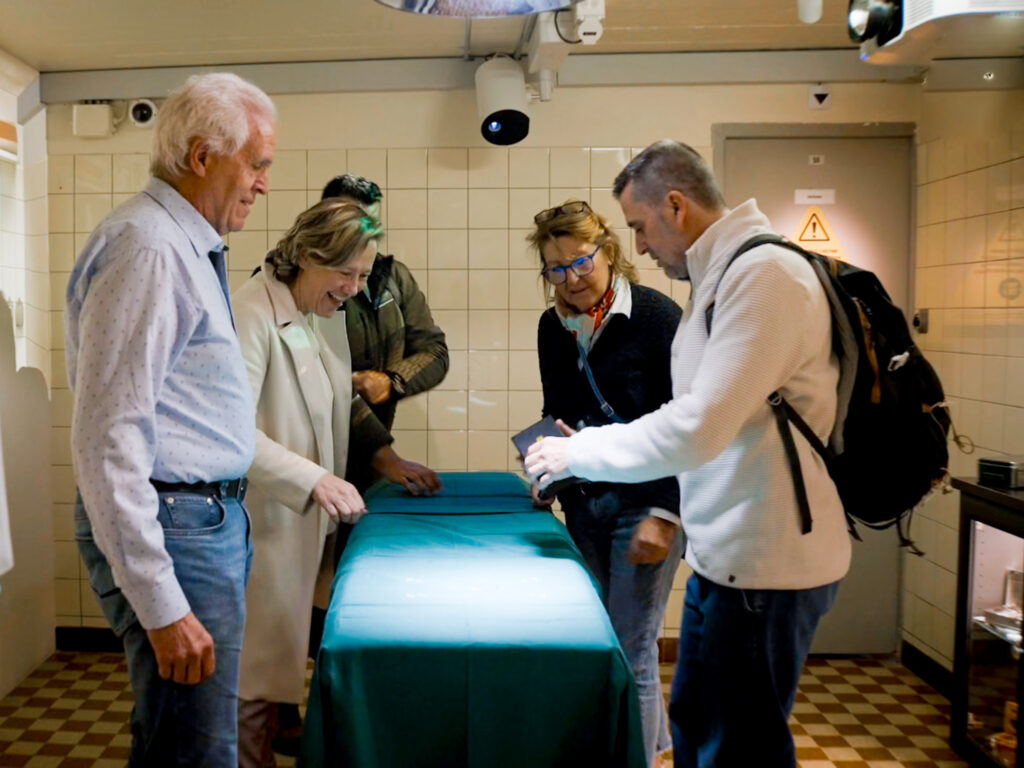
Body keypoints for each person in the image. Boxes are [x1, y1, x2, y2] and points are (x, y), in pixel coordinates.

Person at [525, 141, 852, 768]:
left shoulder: (765, 276)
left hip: (768, 563)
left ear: (675, 205)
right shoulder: (725, 276)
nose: (642, 246)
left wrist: (578, 455)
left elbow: (698, 426)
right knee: (701, 729)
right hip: (726, 558)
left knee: (737, 745)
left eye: (640, 228)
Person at [66, 73, 276, 767]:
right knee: (195, 751)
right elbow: (108, 438)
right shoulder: (150, 249)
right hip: (176, 525)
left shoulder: (179, 244)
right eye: (257, 163)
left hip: (198, 520)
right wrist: (161, 603)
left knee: (180, 736)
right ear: (201, 157)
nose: (263, 183)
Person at [232, 200, 442, 767]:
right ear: (306, 257)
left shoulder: (318, 314)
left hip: (306, 523)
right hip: (265, 520)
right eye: (344, 274)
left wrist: (387, 460)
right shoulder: (250, 313)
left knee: (276, 671)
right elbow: (229, 434)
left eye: (363, 275)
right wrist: (315, 478)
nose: (353, 288)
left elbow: (338, 399)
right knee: (253, 681)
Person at [527, 199, 683, 768]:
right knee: (610, 643)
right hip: (587, 506)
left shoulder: (658, 318)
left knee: (631, 650)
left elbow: (687, 423)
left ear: (608, 253)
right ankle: (649, 747)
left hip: (646, 508)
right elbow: (557, 412)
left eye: (580, 263)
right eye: (555, 269)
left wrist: (666, 516)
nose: (570, 281)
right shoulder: (552, 327)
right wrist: (544, 470)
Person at [320, 174, 449, 493]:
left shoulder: (393, 278)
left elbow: (434, 352)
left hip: (369, 464)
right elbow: (323, 384)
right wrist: (385, 456)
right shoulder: (296, 286)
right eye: (353, 225)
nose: (364, 239)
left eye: (372, 227)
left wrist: (390, 381)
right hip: (309, 460)